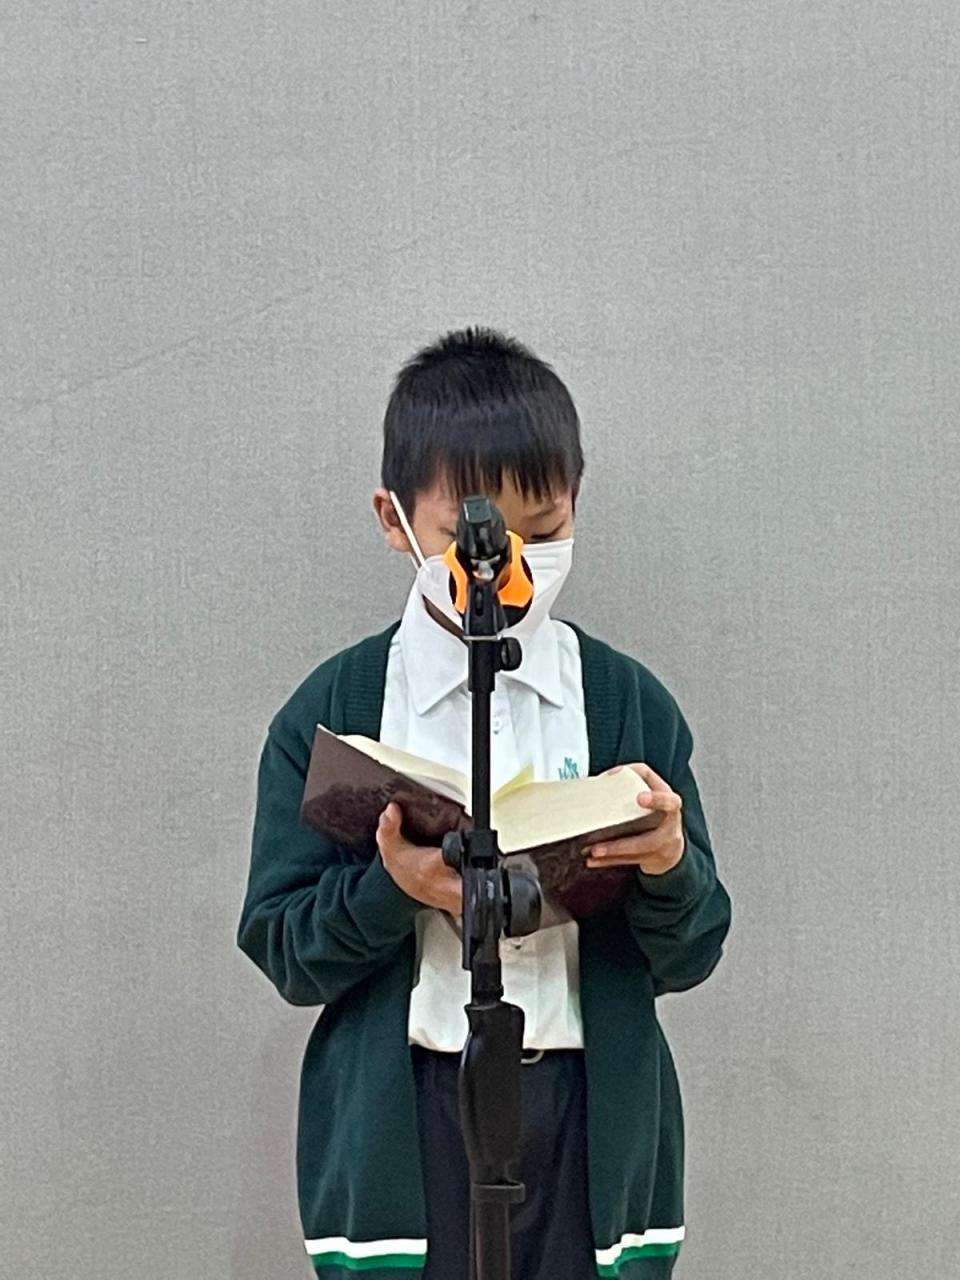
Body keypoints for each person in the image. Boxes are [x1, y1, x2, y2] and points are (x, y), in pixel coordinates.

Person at [236, 327, 732, 1280]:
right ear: (394, 521)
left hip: (588, 1114)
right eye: (474, 535)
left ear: (578, 499)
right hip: (408, 1116)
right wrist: (395, 888)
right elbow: (283, 949)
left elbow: (693, 951)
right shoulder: (338, 710)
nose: (509, 563)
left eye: (543, 532)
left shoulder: (624, 702)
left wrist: (670, 865)